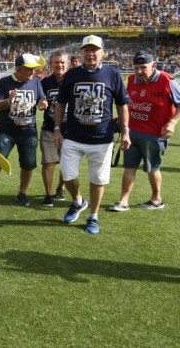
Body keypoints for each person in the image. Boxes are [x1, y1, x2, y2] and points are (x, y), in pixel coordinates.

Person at [53, 35, 131, 234]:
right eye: (86, 50)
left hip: (101, 138)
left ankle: (93, 216)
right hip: (73, 136)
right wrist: (56, 129)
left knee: (98, 179)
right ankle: (78, 201)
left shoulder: (113, 74)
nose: (90, 53)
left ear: (102, 52)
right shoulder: (71, 75)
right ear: (81, 52)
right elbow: (60, 103)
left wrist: (125, 131)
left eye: (94, 49)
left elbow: (122, 105)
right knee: (68, 174)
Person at [109, 51, 180, 212]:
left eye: (143, 67)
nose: (139, 71)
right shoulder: (132, 80)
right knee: (129, 166)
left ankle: (156, 199)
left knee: (152, 167)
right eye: (136, 68)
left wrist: (172, 122)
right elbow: (128, 103)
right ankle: (123, 201)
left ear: (153, 65)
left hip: (155, 135)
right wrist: (121, 120)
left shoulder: (167, 81)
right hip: (132, 133)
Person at [0, 53, 47, 206]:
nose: (32, 72)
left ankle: (22, 192)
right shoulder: (4, 82)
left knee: (28, 164)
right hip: (7, 131)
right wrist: (8, 100)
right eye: (29, 70)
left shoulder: (36, 82)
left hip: (29, 131)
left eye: (33, 70)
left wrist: (43, 103)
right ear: (18, 70)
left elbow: (42, 98)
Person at [39, 51, 69, 207]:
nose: (60, 65)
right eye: (56, 62)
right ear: (51, 64)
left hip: (70, 130)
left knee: (66, 163)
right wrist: (41, 102)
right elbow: (39, 98)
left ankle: (60, 187)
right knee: (48, 162)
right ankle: (48, 194)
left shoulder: (73, 80)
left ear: (68, 64)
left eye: (63, 62)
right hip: (49, 128)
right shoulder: (45, 82)